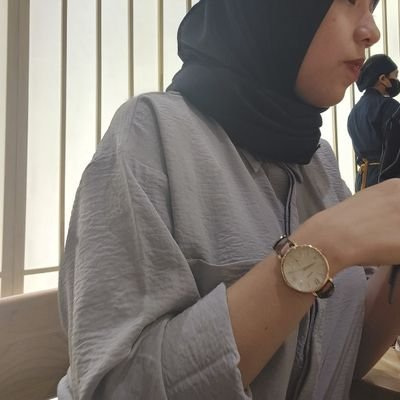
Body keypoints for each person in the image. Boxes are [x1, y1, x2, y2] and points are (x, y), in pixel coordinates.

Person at [57, 1, 400, 399]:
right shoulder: (151, 132)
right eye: (352, 2)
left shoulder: (318, 158)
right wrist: (320, 248)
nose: (371, 32)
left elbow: (341, 356)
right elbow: (118, 389)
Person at [348, 53, 400, 191]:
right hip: (386, 180)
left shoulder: (354, 112)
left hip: (362, 181)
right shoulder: (390, 107)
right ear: (383, 79)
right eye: (395, 75)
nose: (397, 80)